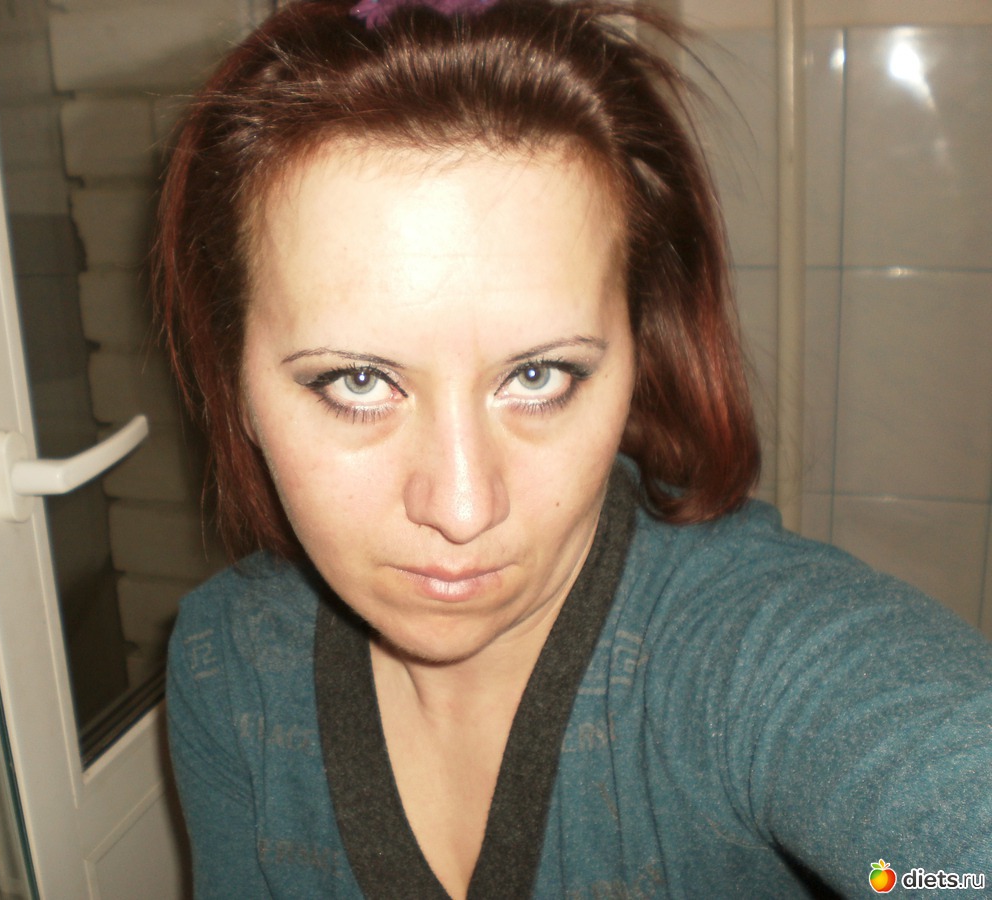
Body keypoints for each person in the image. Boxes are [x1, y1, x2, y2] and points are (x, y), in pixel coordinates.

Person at [155, 0, 992, 896]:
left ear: (636, 351)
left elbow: (938, 847)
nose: (464, 508)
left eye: (538, 374)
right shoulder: (229, 664)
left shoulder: (750, 662)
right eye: (358, 381)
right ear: (234, 382)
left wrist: (913, 877)